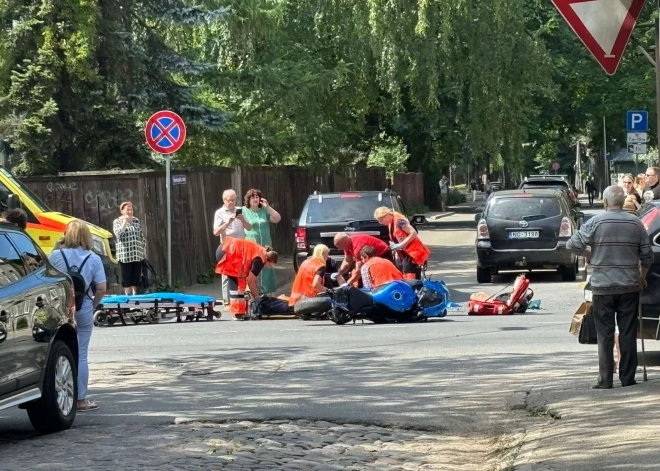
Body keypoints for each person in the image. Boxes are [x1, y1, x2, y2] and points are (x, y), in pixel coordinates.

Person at [566, 185, 652, 389]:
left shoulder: (595, 222)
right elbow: (647, 256)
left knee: (604, 334)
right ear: (623, 202)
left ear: (605, 202)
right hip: (629, 285)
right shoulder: (636, 223)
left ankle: (605, 380)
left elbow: (572, 244)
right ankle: (627, 378)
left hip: (602, 286)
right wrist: (642, 276)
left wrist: (589, 254)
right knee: (628, 331)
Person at [48, 220, 106, 412]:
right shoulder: (94, 259)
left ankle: (60, 396)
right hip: (84, 307)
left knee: (60, 353)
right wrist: (93, 303)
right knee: (81, 354)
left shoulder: (56, 256)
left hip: (61, 309)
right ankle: (80, 400)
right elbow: (101, 287)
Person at [215, 236, 278, 320]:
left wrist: (255, 284)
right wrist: (257, 298)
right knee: (237, 284)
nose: (269, 267)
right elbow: (250, 282)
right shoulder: (259, 260)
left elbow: (253, 277)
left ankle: (239, 312)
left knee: (240, 282)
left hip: (227, 248)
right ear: (270, 260)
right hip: (228, 252)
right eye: (271, 265)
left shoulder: (261, 253)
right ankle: (237, 313)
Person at [213, 189, 252, 305]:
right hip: (227, 247)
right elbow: (215, 232)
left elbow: (249, 228)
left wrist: (243, 220)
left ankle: (239, 298)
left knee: (241, 272)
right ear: (224, 200)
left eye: (234, 200)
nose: (232, 203)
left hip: (241, 246)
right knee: (226, 274)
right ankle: (227, 301)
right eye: (229, 200)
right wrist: (227, 223)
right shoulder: (219, 213)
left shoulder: (241, 211)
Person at [373, 207, 430, 280]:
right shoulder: (391, 222)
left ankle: (414, 290)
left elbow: (413, 232)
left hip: (413, 254)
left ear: (386, 216)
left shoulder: (399, 221)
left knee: (410, 276)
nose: (380, 223)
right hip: (406, 254)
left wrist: (402, 244)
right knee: (407, 275)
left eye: (381, 220)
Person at [242, 189, 281, 295]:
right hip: (252, 244)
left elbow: (277, 218)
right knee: (254, 268)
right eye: (253, 197)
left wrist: (267, 207)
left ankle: (268, 293)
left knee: (267, 267)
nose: (255, 199)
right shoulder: (244, 210)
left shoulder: (264, 210)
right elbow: (247, 227)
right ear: (248, 200)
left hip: (266, 244)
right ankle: (254, 293)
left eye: (257, 197)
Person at [113, 202, 146, 295]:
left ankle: (135, 295)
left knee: (136, 275)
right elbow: (118, 234)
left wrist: (144, 249)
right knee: (126, 276)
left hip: (137, 253)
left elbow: (141, 235)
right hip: (125, 254)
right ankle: (128, 296)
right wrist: (124, 222)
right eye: (127, 209)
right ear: (122, 211)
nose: (130, 211)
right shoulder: (117, 221)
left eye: (131, 209)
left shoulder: (136, 220)